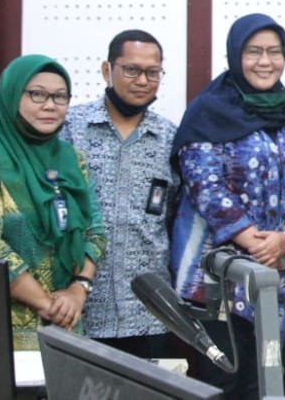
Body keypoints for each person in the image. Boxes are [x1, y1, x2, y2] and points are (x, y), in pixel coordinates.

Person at [170, 13, 285, 399]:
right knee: (222, 382)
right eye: (254, 51)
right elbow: (204, 184)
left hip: (283, 269)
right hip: (219, 276)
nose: (265, 61)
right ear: (235, 55)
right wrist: (254, 243)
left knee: (268, 379)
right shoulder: (208, 111)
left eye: (274, 51)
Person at [0, 54, 105, 350]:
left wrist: (78, 289)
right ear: (12, 95)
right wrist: (46, 304)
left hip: (64, 326)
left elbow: (95, 230)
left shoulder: (71, 159)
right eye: (37, 94)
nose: (50, 105)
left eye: (60, 96)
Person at [59, 29, 178, 358]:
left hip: (149, 312)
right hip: (79, 308)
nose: (142, 81)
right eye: (131, 70)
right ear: (106, 70)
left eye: (152, 72)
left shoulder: (170, 138)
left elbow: (174, 215)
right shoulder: (69, 128)